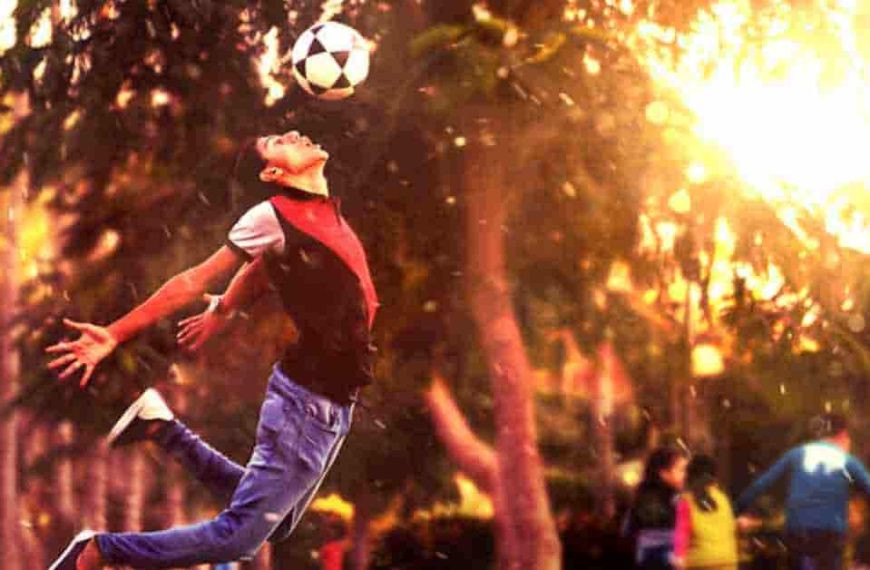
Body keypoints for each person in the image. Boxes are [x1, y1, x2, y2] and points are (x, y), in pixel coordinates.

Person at [45, 129, 379, 569]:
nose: (294, 134)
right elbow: (192, 281)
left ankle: (161, 428)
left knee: (273, 524)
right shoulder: (273, 214)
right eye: (278, 140)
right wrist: (115, 333)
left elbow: (264, 267)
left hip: (335, 399)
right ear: (273, 172)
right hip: (307, 402)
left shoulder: (318, 213)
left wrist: (223, 309)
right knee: (236, 541)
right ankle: (99, 550)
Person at [736, 413, 870, 570]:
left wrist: (737, 509)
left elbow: (761, 484)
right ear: (843, 436)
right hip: (830, 534)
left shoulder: (797, 453)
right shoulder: (844, 458)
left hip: (797, 531)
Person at [624, 446, 689, 569]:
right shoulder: (651, 501)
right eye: (681, 470)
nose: (686, 475)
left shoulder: (674, 497)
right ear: (664, 473)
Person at [672, 455, 739, 570]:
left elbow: (682, 533)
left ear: (690, 476)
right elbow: (730, 528)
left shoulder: (686, 501)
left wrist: (678, 558)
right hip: (727, 561)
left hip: (699, 563)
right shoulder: (722, 499)